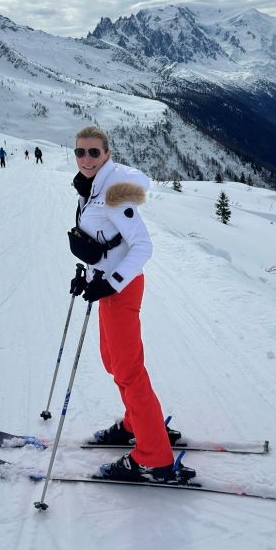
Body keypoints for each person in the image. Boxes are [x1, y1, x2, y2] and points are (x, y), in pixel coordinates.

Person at [68, 125, 194, 484]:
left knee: (128, 370)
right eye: (80, 152)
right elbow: (102, 241)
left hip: (120, 291)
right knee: (113, 361)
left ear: (107, 153)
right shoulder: (90, 188)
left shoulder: (112, 192)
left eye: (94, 152)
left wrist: (110, 281)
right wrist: (89, 275)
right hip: (107, 287)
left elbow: (142, 246)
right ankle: (135, 423)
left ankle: (153, 457)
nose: (86, 159)